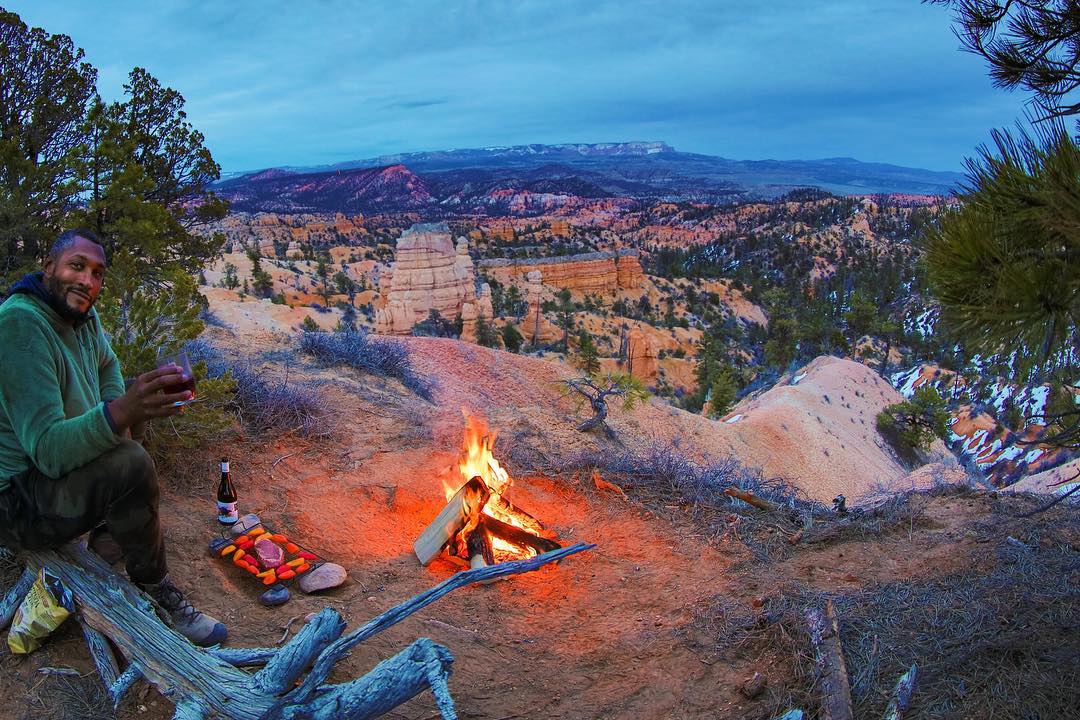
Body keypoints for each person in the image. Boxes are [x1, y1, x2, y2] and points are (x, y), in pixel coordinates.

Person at [0, 228, 227, 646]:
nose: (88, 281)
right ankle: (155, 589)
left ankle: (109, 533)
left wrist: (122, 411)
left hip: (50, 475)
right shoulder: (19, 325)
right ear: (48, 267)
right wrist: (119, 412)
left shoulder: (82, 315)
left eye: (98, 273)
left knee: (132, 425)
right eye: (77, 266)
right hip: (16, 502)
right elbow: (48, 452)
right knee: (131, 461)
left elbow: (108, 364)